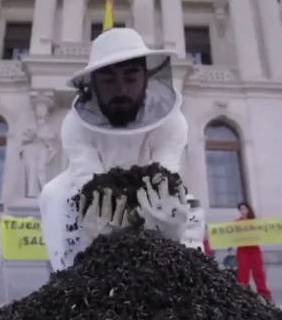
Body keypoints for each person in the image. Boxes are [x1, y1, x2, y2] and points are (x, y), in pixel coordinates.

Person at [38, 27, 192, 271]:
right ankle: (69, 280)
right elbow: (86, 177)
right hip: (94, 192)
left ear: (146, 77)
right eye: (109, 80)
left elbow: (165, 175)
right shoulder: (74, 124)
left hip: (148, 191)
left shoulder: (172, 122)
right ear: (93, 84)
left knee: (181, 212)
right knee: (53, 196)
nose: (121, 90)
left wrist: (162, 220)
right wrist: (98, 215)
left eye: (130, 78)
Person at [235, 202, 273, 301]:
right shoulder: (236, 223)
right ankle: (242, 294)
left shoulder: (255, 223)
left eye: (244, 209)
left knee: (259, 272)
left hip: (254, 250)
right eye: (241, 209)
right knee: (243, 273)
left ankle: (264, 293)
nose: (243, 211)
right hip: (243, 251)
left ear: (248, 210)